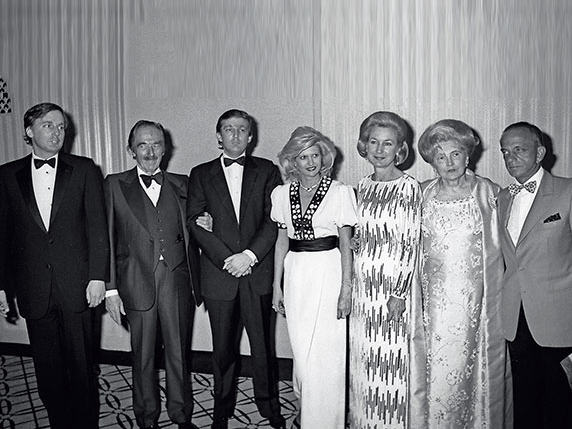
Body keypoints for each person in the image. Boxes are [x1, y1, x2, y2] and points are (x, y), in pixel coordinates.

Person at [0, 102, 109, 429]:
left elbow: (98, 227)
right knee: (47, 372)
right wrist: (2, 286)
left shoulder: (84, 169)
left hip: (78, 286)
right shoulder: (6, 175)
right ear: (29, 131)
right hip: (34, 288)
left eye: (61, 126)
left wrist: (98, 277)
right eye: (48, 125)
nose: (57, 132)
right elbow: (3, 236)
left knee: (82, 368)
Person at [186, 109, 285, 429]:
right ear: (219, 136)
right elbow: (194, 222)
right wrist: (228, 259)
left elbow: (273, 220)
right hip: (220, 275)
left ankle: (269, 406)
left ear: (251, 136)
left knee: (263, 348)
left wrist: (249, 257)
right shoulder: (200, 173)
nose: (236, 135)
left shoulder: (267, 170)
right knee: (222, 350)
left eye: (242, 129)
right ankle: (222, 408)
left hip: (256, 273)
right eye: (229, 129)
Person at [104, 120, 200, 429]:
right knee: (142, 356)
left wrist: (206, 222)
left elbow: (198, 225)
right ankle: (146, 419)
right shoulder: (114, 184)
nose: (150, 151)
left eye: (156, 144)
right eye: (142, 145)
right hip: (135, 281)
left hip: (177, 279)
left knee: (179, 354)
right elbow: (106, 239)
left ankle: (181, 416)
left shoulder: (183, 184)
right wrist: (110, 289)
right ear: (131, 150)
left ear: (165, 148)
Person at [416, 119, 511, 428]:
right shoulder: (420, 195)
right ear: (431, 161)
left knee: (475, 367)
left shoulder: (490, 194)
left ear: (468, 155)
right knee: (436, 369)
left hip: (478, 303)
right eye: (440, 156)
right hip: (432, 305)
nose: (449, 162)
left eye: (455, 154)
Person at [271, 126, 357, 429]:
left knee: (326, 353)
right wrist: (277, 286)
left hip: (329, 271)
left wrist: (346, 289)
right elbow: (281, 242)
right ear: (292, 161)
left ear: (324, 157)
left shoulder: (340, 193)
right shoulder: (281, 194)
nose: (310, 162)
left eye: (315, 155)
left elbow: (346, 243)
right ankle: (306, 408)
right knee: (301, 352)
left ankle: (322, 421)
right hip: (296, 274)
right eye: (303, 157)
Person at [347, 111, 422, 429]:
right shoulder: (362, 185)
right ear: (364, 145)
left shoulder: (408, 187)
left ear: (400, 148)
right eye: (373, 141)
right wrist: (356, 241)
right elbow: (363, 232)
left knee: (389, 362)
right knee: (363, 359)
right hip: (362, 287)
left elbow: (409, 241)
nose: (379, 149)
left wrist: (398, 293)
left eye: (388, 143)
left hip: (391, 287)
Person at [498, 121, 572, 428]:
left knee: (560, 406)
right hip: (516, 319)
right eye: (505, 151)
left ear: (540, 153)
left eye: (519, 149)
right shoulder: (502, 198)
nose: (510, 157)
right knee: (525, 404)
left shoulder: (567, 192)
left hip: (560, 319)